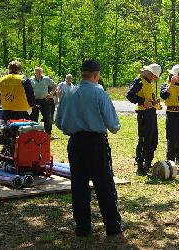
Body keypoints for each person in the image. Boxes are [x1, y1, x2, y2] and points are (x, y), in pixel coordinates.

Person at [56, 60, 125, 238]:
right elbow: (113, 125)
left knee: (79, 186)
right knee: (104, 185)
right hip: (95, 144)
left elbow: (59, 122)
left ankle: (83, 227)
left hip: (76, 143)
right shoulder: (99, 93)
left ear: (82, 74)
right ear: (96, 75)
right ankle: (112, 226)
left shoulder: (68, 93)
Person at [126, 63, 162, 176]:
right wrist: (142, 101)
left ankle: (148, 162)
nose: (155, 79)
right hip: (143, 114)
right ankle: (141, 164)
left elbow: (148, 97)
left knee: (153, 139)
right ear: (150, 73)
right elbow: (129, 95)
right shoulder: (139, 81)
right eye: (154, 76)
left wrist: (154, 102)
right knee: (144, 139)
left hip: (151, 113)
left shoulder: (148, 82)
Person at [30, 67, 57, 134]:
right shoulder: (31, 79)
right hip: (35, 100)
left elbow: (54, 85)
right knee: (34, 117)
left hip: (45, 100)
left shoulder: (46, 79)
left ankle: (48, 133)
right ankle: (34, 132)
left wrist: (51, 94)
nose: (38, 73)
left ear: (41, 72)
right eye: (37, 72)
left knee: (47, 117)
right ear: (35, 72)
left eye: (39, 72)